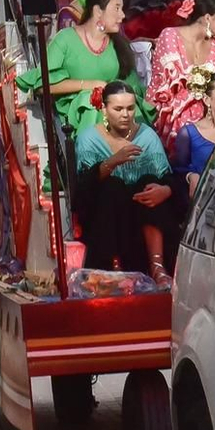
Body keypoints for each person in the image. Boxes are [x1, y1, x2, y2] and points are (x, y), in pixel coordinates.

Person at [73, 82, 179, 284]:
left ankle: (157, 266)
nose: (125, 115)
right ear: (104, 109)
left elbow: (167, 178)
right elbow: (84, 193)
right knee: (113, 186)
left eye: (130, 109)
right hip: (106, 216)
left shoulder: (147, 136)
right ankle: (114, 266)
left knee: (149, 182)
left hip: (143, 213)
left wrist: (165, 190)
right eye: (118, 109)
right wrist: (111, 162)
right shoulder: (89, 138)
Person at [17, 0, 152, 139]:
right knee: (92, 106)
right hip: (79, 115)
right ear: (98, 11)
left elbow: (133, 86)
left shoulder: (119, 45)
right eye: (116, 8)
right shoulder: (65, 39)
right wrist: (90, 85)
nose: (122, 15)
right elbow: (43, 85)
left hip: (116, 113)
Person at [146, 0, 215, 148]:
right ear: (207, 18)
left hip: (203, 120)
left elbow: (211, 90)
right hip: (167, 116)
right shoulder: (170, 36)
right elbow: (165, 87)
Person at [173, 71, 215, 191]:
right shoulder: (188, 134)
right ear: (207, 99)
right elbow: (176, 173)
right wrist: (190, 176)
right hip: (203, 203)